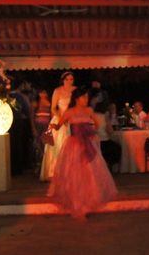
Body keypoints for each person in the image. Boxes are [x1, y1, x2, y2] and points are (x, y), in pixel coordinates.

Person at [48, 89, 118, 219]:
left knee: (89, 175)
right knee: (75, 175)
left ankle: (86, 204)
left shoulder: (89, 111)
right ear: (77, 98)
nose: (86, 100)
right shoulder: (70, 112)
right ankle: (77, 205)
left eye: (87, 97)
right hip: (74, 145)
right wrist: (53, 127)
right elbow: (59, 126)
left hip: (87, 144)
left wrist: (89, 132)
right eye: (83, 97)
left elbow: (97, 125)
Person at [40, 71, 76, 181]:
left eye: (71, 79)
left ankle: (71, 172)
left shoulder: (75, 90)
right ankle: (56, 172)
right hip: (60, 119)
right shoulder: (58, 91)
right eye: (67, 79)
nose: (69, 81)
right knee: (59, 145)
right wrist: (61, 119)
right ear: (63, 80)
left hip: (73, 120)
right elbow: (53, 108)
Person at [10, 79, 35, 175]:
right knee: (20, 144)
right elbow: (27, 110)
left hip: (9, 123)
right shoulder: (21, 97)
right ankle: (20, 167)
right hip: (20, 122)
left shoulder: (8, 96)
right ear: (20, 86)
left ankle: (12, 167)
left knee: (12, 144)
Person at [93, 102, 122, 169]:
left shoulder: (93, 115)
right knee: (118, 148)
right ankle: (110, 166)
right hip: (104, 142)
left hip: (95, 142)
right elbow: (110, 131)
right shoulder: (105, 116)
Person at [33, 89, 52, 168]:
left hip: (47, 125)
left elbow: (51, 114)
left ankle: (45, 165)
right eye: (41, 92)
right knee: (38, 145)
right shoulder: (36, 103)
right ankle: (38, 164)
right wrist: (33, 128)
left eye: (44, 92)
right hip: (38, 125)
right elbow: (32, 116)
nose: (42, 94)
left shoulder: (50, 102)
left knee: (46, 145)